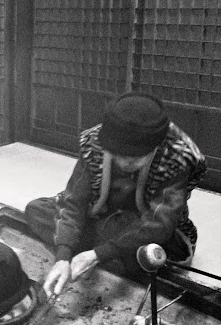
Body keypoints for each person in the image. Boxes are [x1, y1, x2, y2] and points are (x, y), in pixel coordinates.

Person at [25, 93, 207, 296]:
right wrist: (63, 256)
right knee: (37, 210)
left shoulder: (176, 156)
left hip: (143, 225)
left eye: (135, 159)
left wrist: (98, 254)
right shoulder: (95, 142)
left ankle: (103, 253)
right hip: (102, 216)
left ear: (155, 147)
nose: (124, 164)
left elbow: (160, 225)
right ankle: (106, 255)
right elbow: (74, 202)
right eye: (118, 155)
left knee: (153, 252)